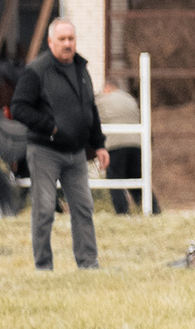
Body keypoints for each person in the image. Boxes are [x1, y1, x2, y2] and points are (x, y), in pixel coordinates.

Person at [12, 17, 106, 271]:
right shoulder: (36, 70)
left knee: (83, 208)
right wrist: (50, 127)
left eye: (71, 39)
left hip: (76, 154)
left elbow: (90, 109)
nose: (67, 44)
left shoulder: (81, 69)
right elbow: (19, 107)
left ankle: (88, 263)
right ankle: (43, 267)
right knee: (43, 211)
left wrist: (99, 144)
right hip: (45, 152)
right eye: (62, 39)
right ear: (50, 42)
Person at [96, 77, 151, 214]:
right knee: (137, 178)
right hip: (136, 143)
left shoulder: (104, 100)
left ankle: (122, 212)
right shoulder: (130, 99)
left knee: (114, 179)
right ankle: (151, 209)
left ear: (107, 88)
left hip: (116, 144)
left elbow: (93, 118)